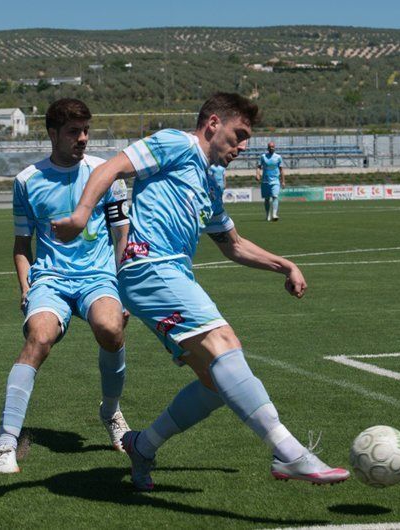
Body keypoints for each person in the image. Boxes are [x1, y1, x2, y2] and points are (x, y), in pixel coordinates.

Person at [53, 93, 349, 491]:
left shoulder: (213, 177)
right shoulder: (176, 143)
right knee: (225, 343)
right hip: (148, 266)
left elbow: (232, 244)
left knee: (215, 383)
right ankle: (289, 452)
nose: (243, 147)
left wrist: (285, 265)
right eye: (239, 135)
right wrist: (80, 215)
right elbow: (111, 168)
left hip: (174, 272)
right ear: (213, 124)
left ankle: (143, 444)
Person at [0, 98, 131, 474]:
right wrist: (25, 288)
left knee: (111, 329)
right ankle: (6, 440)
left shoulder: (107, 173)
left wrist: (126, 286)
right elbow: (22, 247)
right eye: (74, 131)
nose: (83, 138)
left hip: (98, 276)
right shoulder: (27, 181)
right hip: (50, 279)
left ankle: (111, 411)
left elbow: (123, 237)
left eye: (86, 130)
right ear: (52, 134)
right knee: (38, 339)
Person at [255, 141, 284, 221]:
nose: (272, 148)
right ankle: (267, 215)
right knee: (267, 199)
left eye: (273, 147)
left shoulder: (278, 157)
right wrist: (257, 174)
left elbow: (281, 170)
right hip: (265, 181)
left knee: (275, 196)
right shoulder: (263, 157)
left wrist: (283, 181)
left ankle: (274, 214)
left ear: (275, 148)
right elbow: (259, 167)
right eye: (270, 147)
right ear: (267, 148)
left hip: (275, 180)